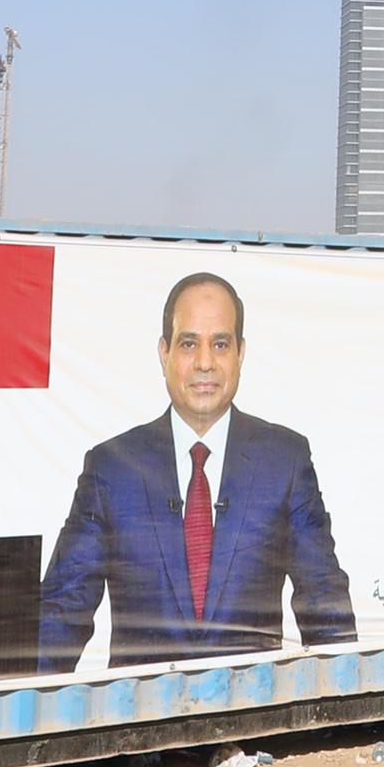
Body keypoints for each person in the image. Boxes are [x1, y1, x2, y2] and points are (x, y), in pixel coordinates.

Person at [37, 271, 355, 673]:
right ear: (164, 352)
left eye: (220, 344)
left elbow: (325, 605)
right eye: (189, 344)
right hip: (143, 726)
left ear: (240, 353)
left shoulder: (285, 462)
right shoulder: (111, 469)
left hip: (253, 721)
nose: (205, 362)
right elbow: (62, 613)